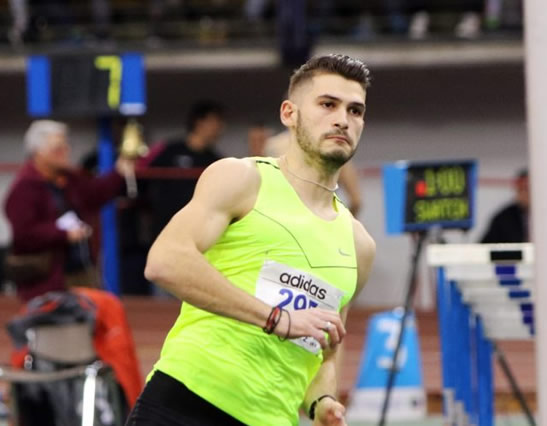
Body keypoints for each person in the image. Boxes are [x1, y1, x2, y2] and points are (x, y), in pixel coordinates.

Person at [127, 54, 376, 426]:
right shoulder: (242, 179)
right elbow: (166, 260)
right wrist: (277, 318)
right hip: (187, 401)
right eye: (328, 104)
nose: (343, 119)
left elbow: (324, 348)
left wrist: (321, 401)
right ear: (289, 114)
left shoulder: (359, 245)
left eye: (355, 110)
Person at [4, 120, 133, 302]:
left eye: (66, 146)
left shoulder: (69, 178)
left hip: (79, 269)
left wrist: (118, 173)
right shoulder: (25, 188)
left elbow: (94, 194)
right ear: (39, 152)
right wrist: (64, 234)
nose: (66, 152)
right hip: (46, 278)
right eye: (58, 149)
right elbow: (24, 233)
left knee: (92, 312)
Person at [145, 100, 226, 239]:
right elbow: (143, 179)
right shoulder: (168, 150)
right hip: (164, 226)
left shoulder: (215, 160)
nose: (220, 127)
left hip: (197, 230)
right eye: (215, 121)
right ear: (199, 122)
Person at [249, 125, 363, 217]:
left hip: (280, 223)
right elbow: (356, 201)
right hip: (320, 224)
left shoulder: (272, 146)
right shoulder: (335, 148)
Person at [480, 168, 547, 243]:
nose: (525, 194)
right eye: (521, 189)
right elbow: (485, 247)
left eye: (529, 189)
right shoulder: (504, 218)